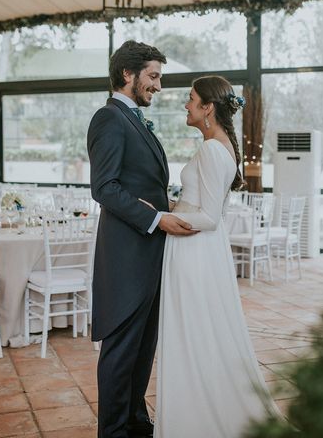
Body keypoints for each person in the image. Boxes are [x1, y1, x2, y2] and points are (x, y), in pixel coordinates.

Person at [154, 76, 278, 437]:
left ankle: (193, 421)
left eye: (191, 100)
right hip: (201, 251)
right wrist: (169, 204)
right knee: (199, 333)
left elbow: (208, 218)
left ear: (208, 107)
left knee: (191, 334)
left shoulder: (211, 149)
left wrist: (163, 219)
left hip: (193, 251)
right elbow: (202, 205)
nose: (186, 105)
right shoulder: (220, 146)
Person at [87, 40, 196, 438]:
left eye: (159, 77)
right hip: (125, 258)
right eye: (153, 76)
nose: (159, 86)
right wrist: (158, 219)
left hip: (147, 256)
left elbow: (140, 184)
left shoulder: (133, 119)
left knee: (141, 350)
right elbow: (105, 188)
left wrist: (169, 206)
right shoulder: (108, 118)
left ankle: (136, 424)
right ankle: (114, 431)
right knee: (120, 354)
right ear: (127, 75)